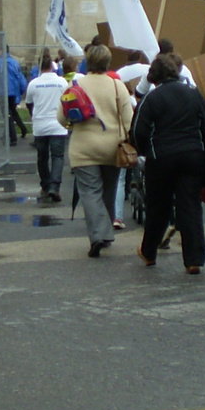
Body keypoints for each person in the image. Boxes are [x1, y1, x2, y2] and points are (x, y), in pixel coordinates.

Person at [131, 52, 205, 273]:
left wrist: (146, 150)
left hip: (161, 157)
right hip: (192, 154)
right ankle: (194, 258)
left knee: (158, 207)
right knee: (190, 206)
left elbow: (139, 130)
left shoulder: (152, 98)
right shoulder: (193, 93)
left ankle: (149, 252)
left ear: (154, 77)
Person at [67, 43, 133, 258]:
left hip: (83, 148)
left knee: (89, 192)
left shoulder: (75, 83)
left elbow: (62, 116)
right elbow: (128, 120)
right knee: (109, 190)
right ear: (108, 62)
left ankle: (98, 235)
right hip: (112, 147)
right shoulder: (117, 86)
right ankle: (105, 234)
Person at [24, 52, 69, 203]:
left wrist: (34, 115)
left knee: (42, 157)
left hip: (40, 125)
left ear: (39, 66)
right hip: (57, 125)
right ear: (52, 66)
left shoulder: (33, 83)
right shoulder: (62, 82)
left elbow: (29, 103)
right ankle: (54, 187)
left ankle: (45, 184)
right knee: (57, 157)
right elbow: (67, 100)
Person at [0, 49, 29, 145]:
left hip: (3, 92)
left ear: (0, 51)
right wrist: (20, 90)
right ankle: (23, 128)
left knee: (7, 114)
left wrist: (0, 84)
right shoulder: (14, 62)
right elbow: (20, 77)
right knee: (13, 111)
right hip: (14, 92)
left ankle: (13, 137)